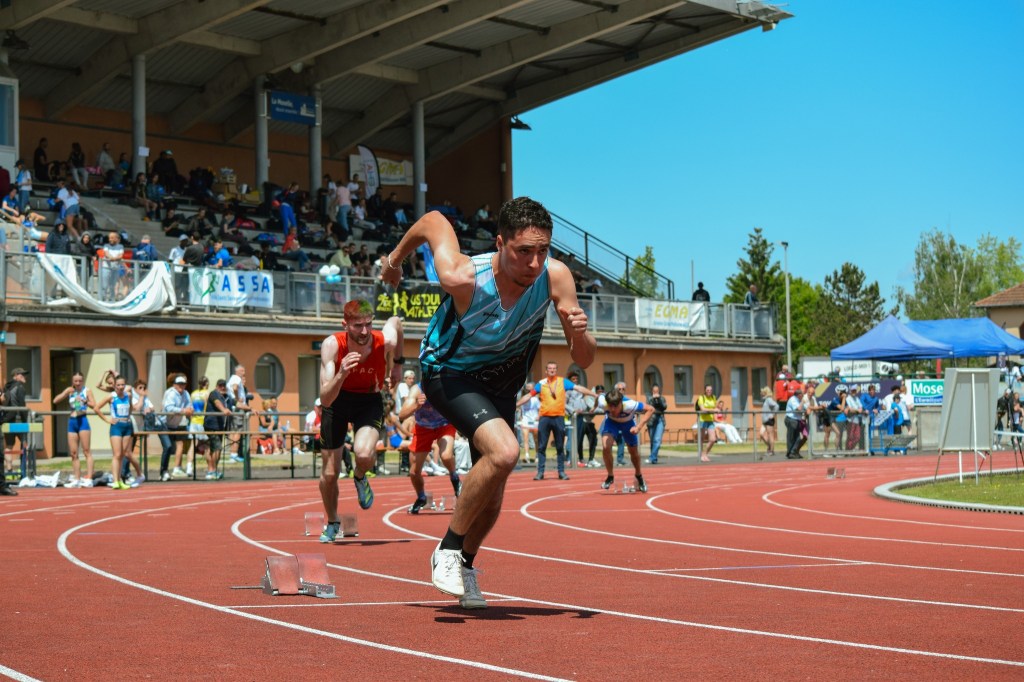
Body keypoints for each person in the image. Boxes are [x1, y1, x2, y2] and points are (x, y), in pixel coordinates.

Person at [379, 197, 596, 609]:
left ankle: (464, 564)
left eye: (543, 250)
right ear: (500, 243)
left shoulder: (555, 277)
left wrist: (580, 332)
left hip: (500, 383)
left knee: (494, 486)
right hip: (448, 372)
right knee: (506, 451)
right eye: (524, 251)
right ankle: (447, 549)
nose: (534, 263)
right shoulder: (463, 277)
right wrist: (394, 261)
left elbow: (583, 359)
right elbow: (432, 220)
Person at [316, 300, 403, 543]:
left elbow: (396, 322)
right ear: (345, 324)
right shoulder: (333, 346)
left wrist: (398, 364)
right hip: (336, 401)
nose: (364, 332)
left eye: (368, 324)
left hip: (368, 400)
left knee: (364, 454)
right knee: (330, 474)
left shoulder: (383, 340)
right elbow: (326, 398)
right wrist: (342, 372)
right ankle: (332, 521)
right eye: (357, 326)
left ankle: (360, 476)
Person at [517, 361, 596, 480]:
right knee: (542, 447)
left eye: (554, 368)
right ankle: (540, 472)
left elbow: (578, 388)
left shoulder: (563, 382)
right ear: (546, 371)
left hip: (559, 417)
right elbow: (529, 396)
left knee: (559, 446)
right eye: (550, 368)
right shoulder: (541, 384)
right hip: (544, 418)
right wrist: (516, 405)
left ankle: (561, 472)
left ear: (556, 370)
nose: (552, 370)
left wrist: (594, 395)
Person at [399, 381, 463, 512]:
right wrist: (416, 405)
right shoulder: (417, 390)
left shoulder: (445, 386)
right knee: (414, 472)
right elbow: (402, 415)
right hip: (423, 428)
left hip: (444, 425)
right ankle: (421, 497)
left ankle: (455, 478)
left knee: (446, 456)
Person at [596, 388, 652, 491]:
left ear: (621, 403)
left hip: (628, 424)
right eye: (610, 406)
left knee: (633, 452)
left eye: (615, 406)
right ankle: (610, 476)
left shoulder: (629, 404)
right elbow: (599, 396)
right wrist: (594, 407)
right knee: (606, 446)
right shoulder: (603, 403)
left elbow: (650, 409)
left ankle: (639, 475)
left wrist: (638, 427)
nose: (612, 410)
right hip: (612, 423)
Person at [93, 374, 143, 490]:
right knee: (117, 454)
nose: (121, 387)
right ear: (114, 386)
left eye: (122, 385)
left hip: (127, 426)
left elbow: (131, 407)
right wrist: (107, 419)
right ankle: (115, 481)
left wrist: (128, 416)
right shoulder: (111, 397)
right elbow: (96, 408)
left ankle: (120, 480)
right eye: (118, 385)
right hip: (116, 426)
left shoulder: (128, 395)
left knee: (123, 455)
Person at [52, 372, 96, 487]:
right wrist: (66, 392)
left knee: (86, 451)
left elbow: (94, 405)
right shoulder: (70, 390)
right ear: (73, 381)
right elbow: (55, 401)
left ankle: (89, 478)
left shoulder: (87, 391)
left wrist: (85, 401)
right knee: (73, 453)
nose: (78, 383)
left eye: (80, 381)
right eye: (75, 381)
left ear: (83, 381)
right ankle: (77, 479)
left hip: (83, 421)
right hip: (72, 421)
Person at [161, 375, 194, 480]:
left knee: (179, 444)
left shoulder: (186, 393)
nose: (181, 386)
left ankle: (176, 468)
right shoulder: (171, 393)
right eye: (179, 384)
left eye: (183, 384)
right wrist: (184, 410)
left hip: (177, 423)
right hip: (164, 424)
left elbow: (189, 405)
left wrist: (189, 410)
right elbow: (169, 408)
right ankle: (164, 471)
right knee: (168, 447)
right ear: (174, 385)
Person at [202, 379, 233, 480]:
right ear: (216, 386)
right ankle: (211, 471)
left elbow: (237, 404)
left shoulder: (227, 397)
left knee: (214, 448)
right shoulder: (214, 393)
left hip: (220, 427)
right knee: (217, 448)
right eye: (220, 385)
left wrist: (251, 409)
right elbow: (217, 403)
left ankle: (213, 470)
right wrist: (224, 410)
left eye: (224, 385)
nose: (222, 387)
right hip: (211, 425)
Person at [784, 383, 808, 459]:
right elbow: (798, 409)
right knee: (791, 437)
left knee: (798, 438)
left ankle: (793, 452)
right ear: (799, 395)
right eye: (802, 395)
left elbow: (805, 409)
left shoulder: (798, 400)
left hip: (797, 421)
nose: (803, 396)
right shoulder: (793, 400)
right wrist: (802, 402)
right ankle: (790, 453)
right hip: (791, 420)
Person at [695, 384, 718, 462]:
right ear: (705, 390)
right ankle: (700, 455)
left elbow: (716, 408)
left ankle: (704, 454)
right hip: (702, 420)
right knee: (701, 438)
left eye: (710, 390)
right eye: (708, 390)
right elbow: (703, 409)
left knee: (713, 439)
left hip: (710, 420)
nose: (709, 391)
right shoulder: (701, 398)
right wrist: (713, 410)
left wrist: (715, 411)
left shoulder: (713, 397)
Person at [758, 386, 778, 457]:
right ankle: (770, 447)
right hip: (765, 421)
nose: (761, 393)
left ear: (765, 392)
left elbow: (776, 406)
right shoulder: (765, 400)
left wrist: (773, 414)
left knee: (770, 435)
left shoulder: (769, 399)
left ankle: (771, 451)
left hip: (769, 420)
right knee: (761, 434)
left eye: (762, 392)